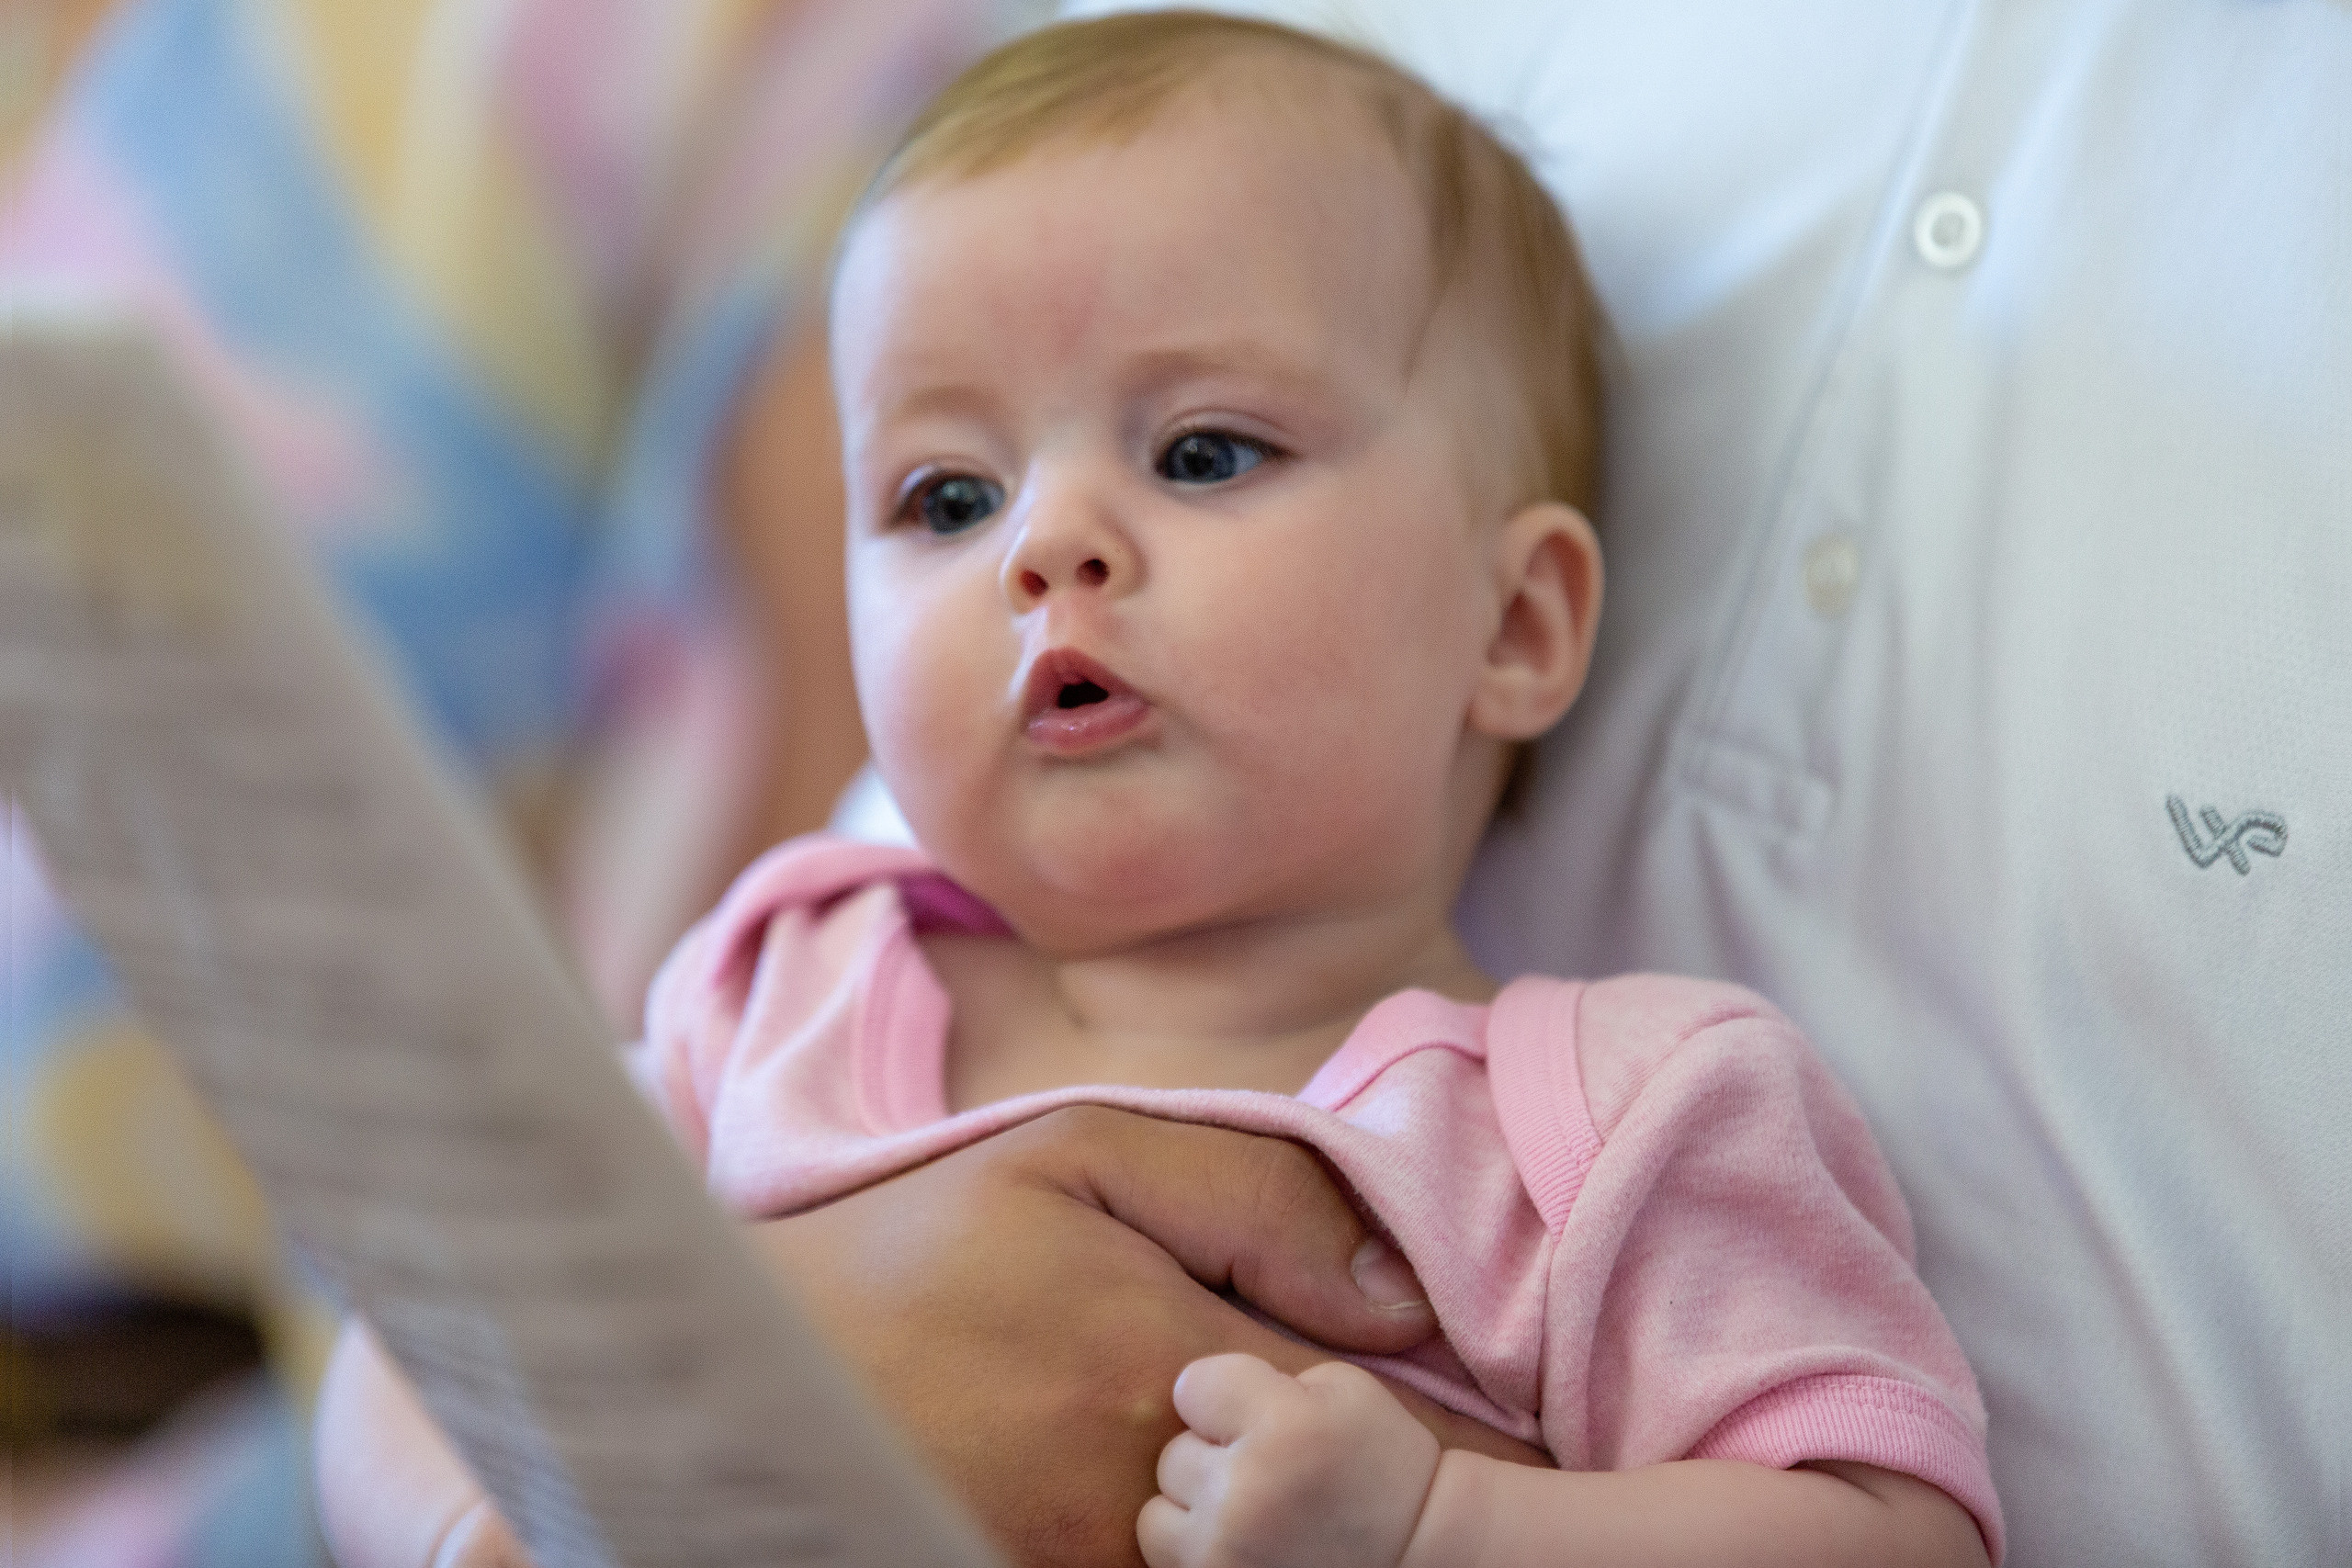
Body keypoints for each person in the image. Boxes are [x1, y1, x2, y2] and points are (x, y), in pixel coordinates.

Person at [317, 14, 2008, 1568]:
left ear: (1513, 625)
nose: (1046, 543)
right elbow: (423, 1314)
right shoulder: (787, 991)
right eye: (946, 496)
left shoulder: (1604, 1130)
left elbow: (1890, 1533)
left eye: (1202, 451)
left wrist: (1449, 1530)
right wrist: (478, 1532)